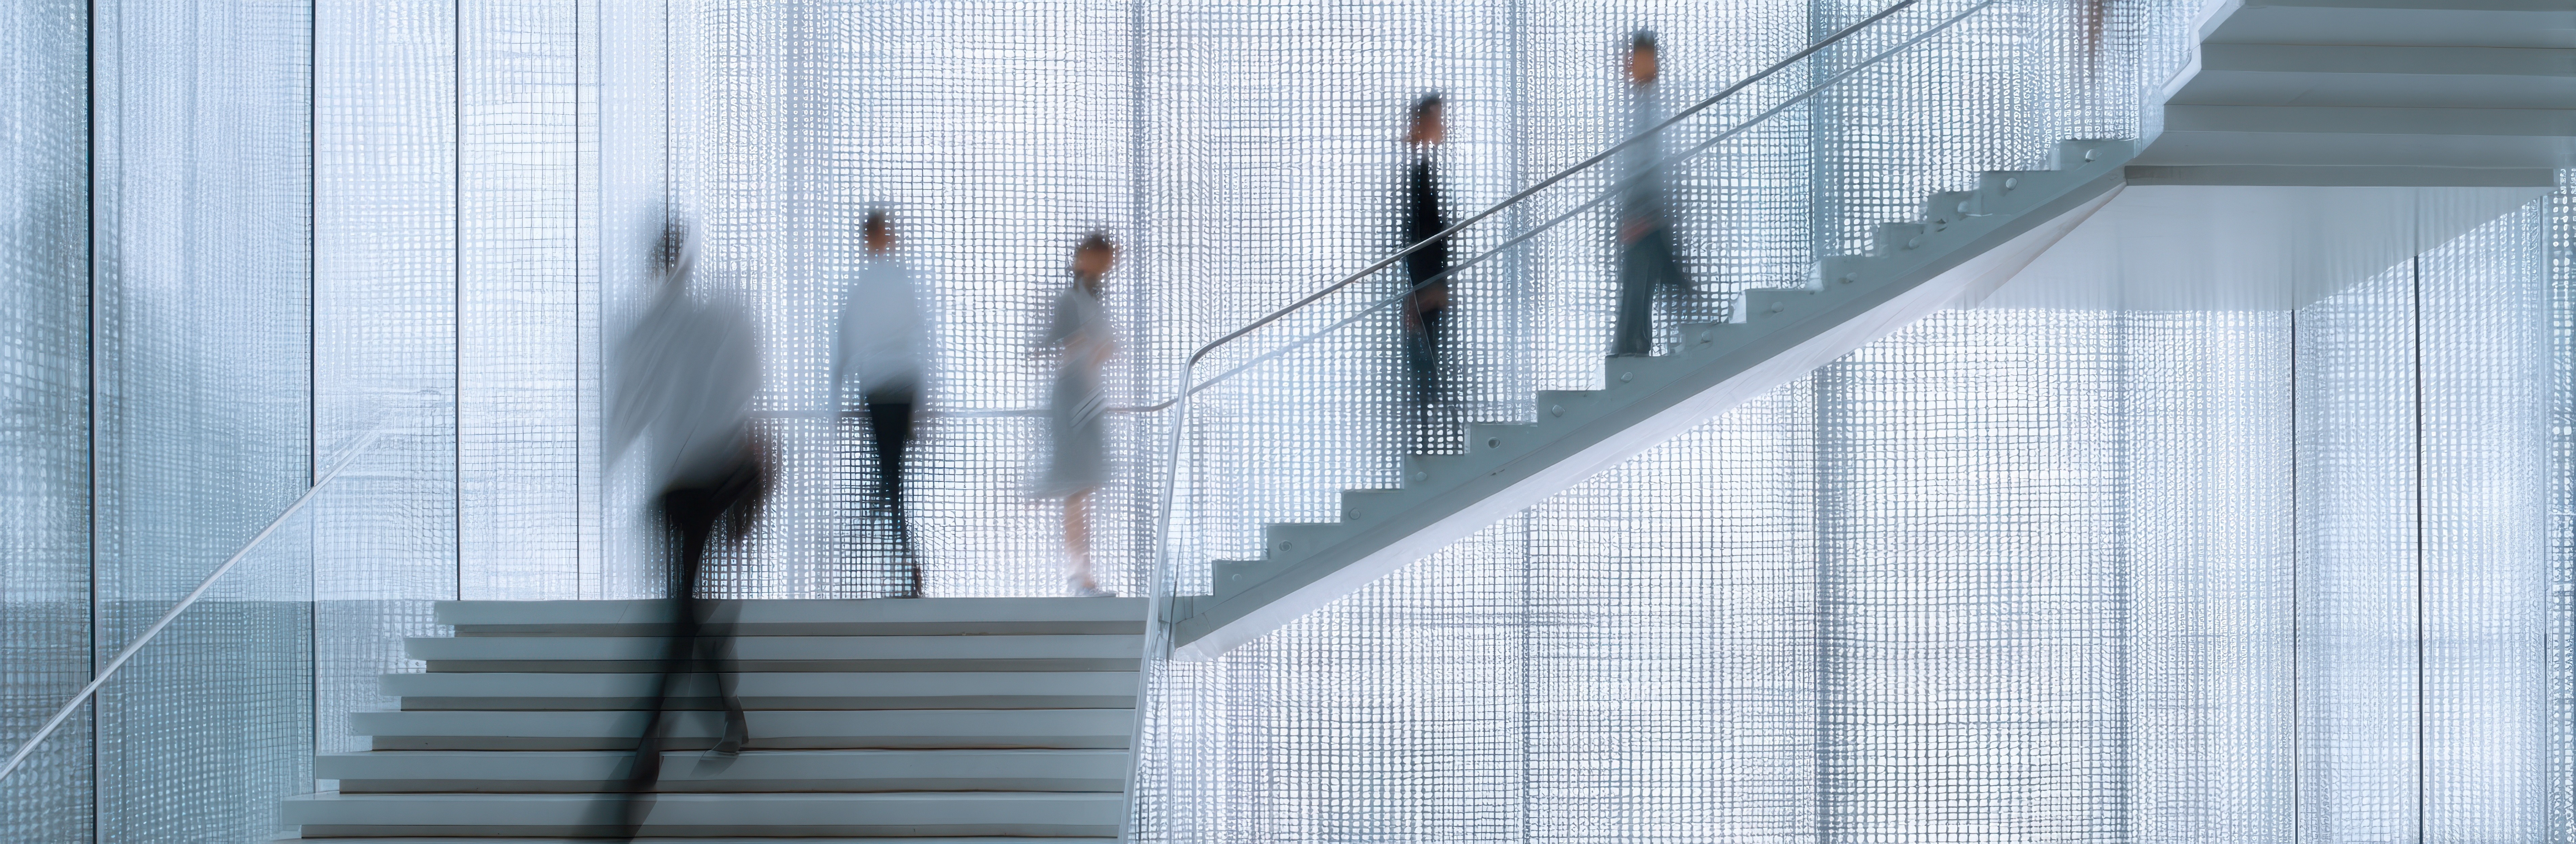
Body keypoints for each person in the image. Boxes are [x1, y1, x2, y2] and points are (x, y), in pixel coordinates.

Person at [603, 222, 765, 836]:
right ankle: (727, 716)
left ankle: (646, 743)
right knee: (687, 608)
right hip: (705, 478)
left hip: (675, 484)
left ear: (654, 261)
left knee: (680, 607)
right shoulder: (717, 316)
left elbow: (629, 408)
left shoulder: (649, 326)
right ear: (686, 258)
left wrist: (613, 467)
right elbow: (742, 388)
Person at [829, 210, 929, 597]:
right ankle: (901, 562)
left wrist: (836, 401)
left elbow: (845, 343)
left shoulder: (865, 285)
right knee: (892, 472)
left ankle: (892, 553)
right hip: (900, 384)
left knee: (889, 473)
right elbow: (920, 335)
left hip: (880, 384)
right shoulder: (896, 282)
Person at [1037, 233, 1118, 597]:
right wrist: (1089, 346)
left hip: (1086, 399)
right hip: (1073, 400)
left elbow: (1101, 349)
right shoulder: (1071, 301)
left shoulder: (1089, 301)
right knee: (1076, 490)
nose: (1107, 265)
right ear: (1084, 259)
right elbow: (1056, 344)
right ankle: (1079, 576)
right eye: (1102, 258)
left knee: (1081, 490)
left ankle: (1082, 574)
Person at [1610, 31, 1692, 358]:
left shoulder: (1651, 105)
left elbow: (1651, 162)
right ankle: (1634, 342)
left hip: (1643, 210)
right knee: (1643, 280)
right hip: (1643, 210)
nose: (1630, 64)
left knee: (1638, 282)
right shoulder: (1641, 102)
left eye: (1638, 58)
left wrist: (1640, 214)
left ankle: (1633, 345)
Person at [1399, 93, 1452, 409]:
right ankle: (1425, 435)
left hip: (1429, 286)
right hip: (1424, 288)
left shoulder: (1426, 166)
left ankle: (1428, 429)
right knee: (1424, 370)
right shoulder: (1417, 169)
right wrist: (1423, 290)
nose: (1443, 125)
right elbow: (1416, 237)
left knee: (1428, 367)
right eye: (1437, 118)